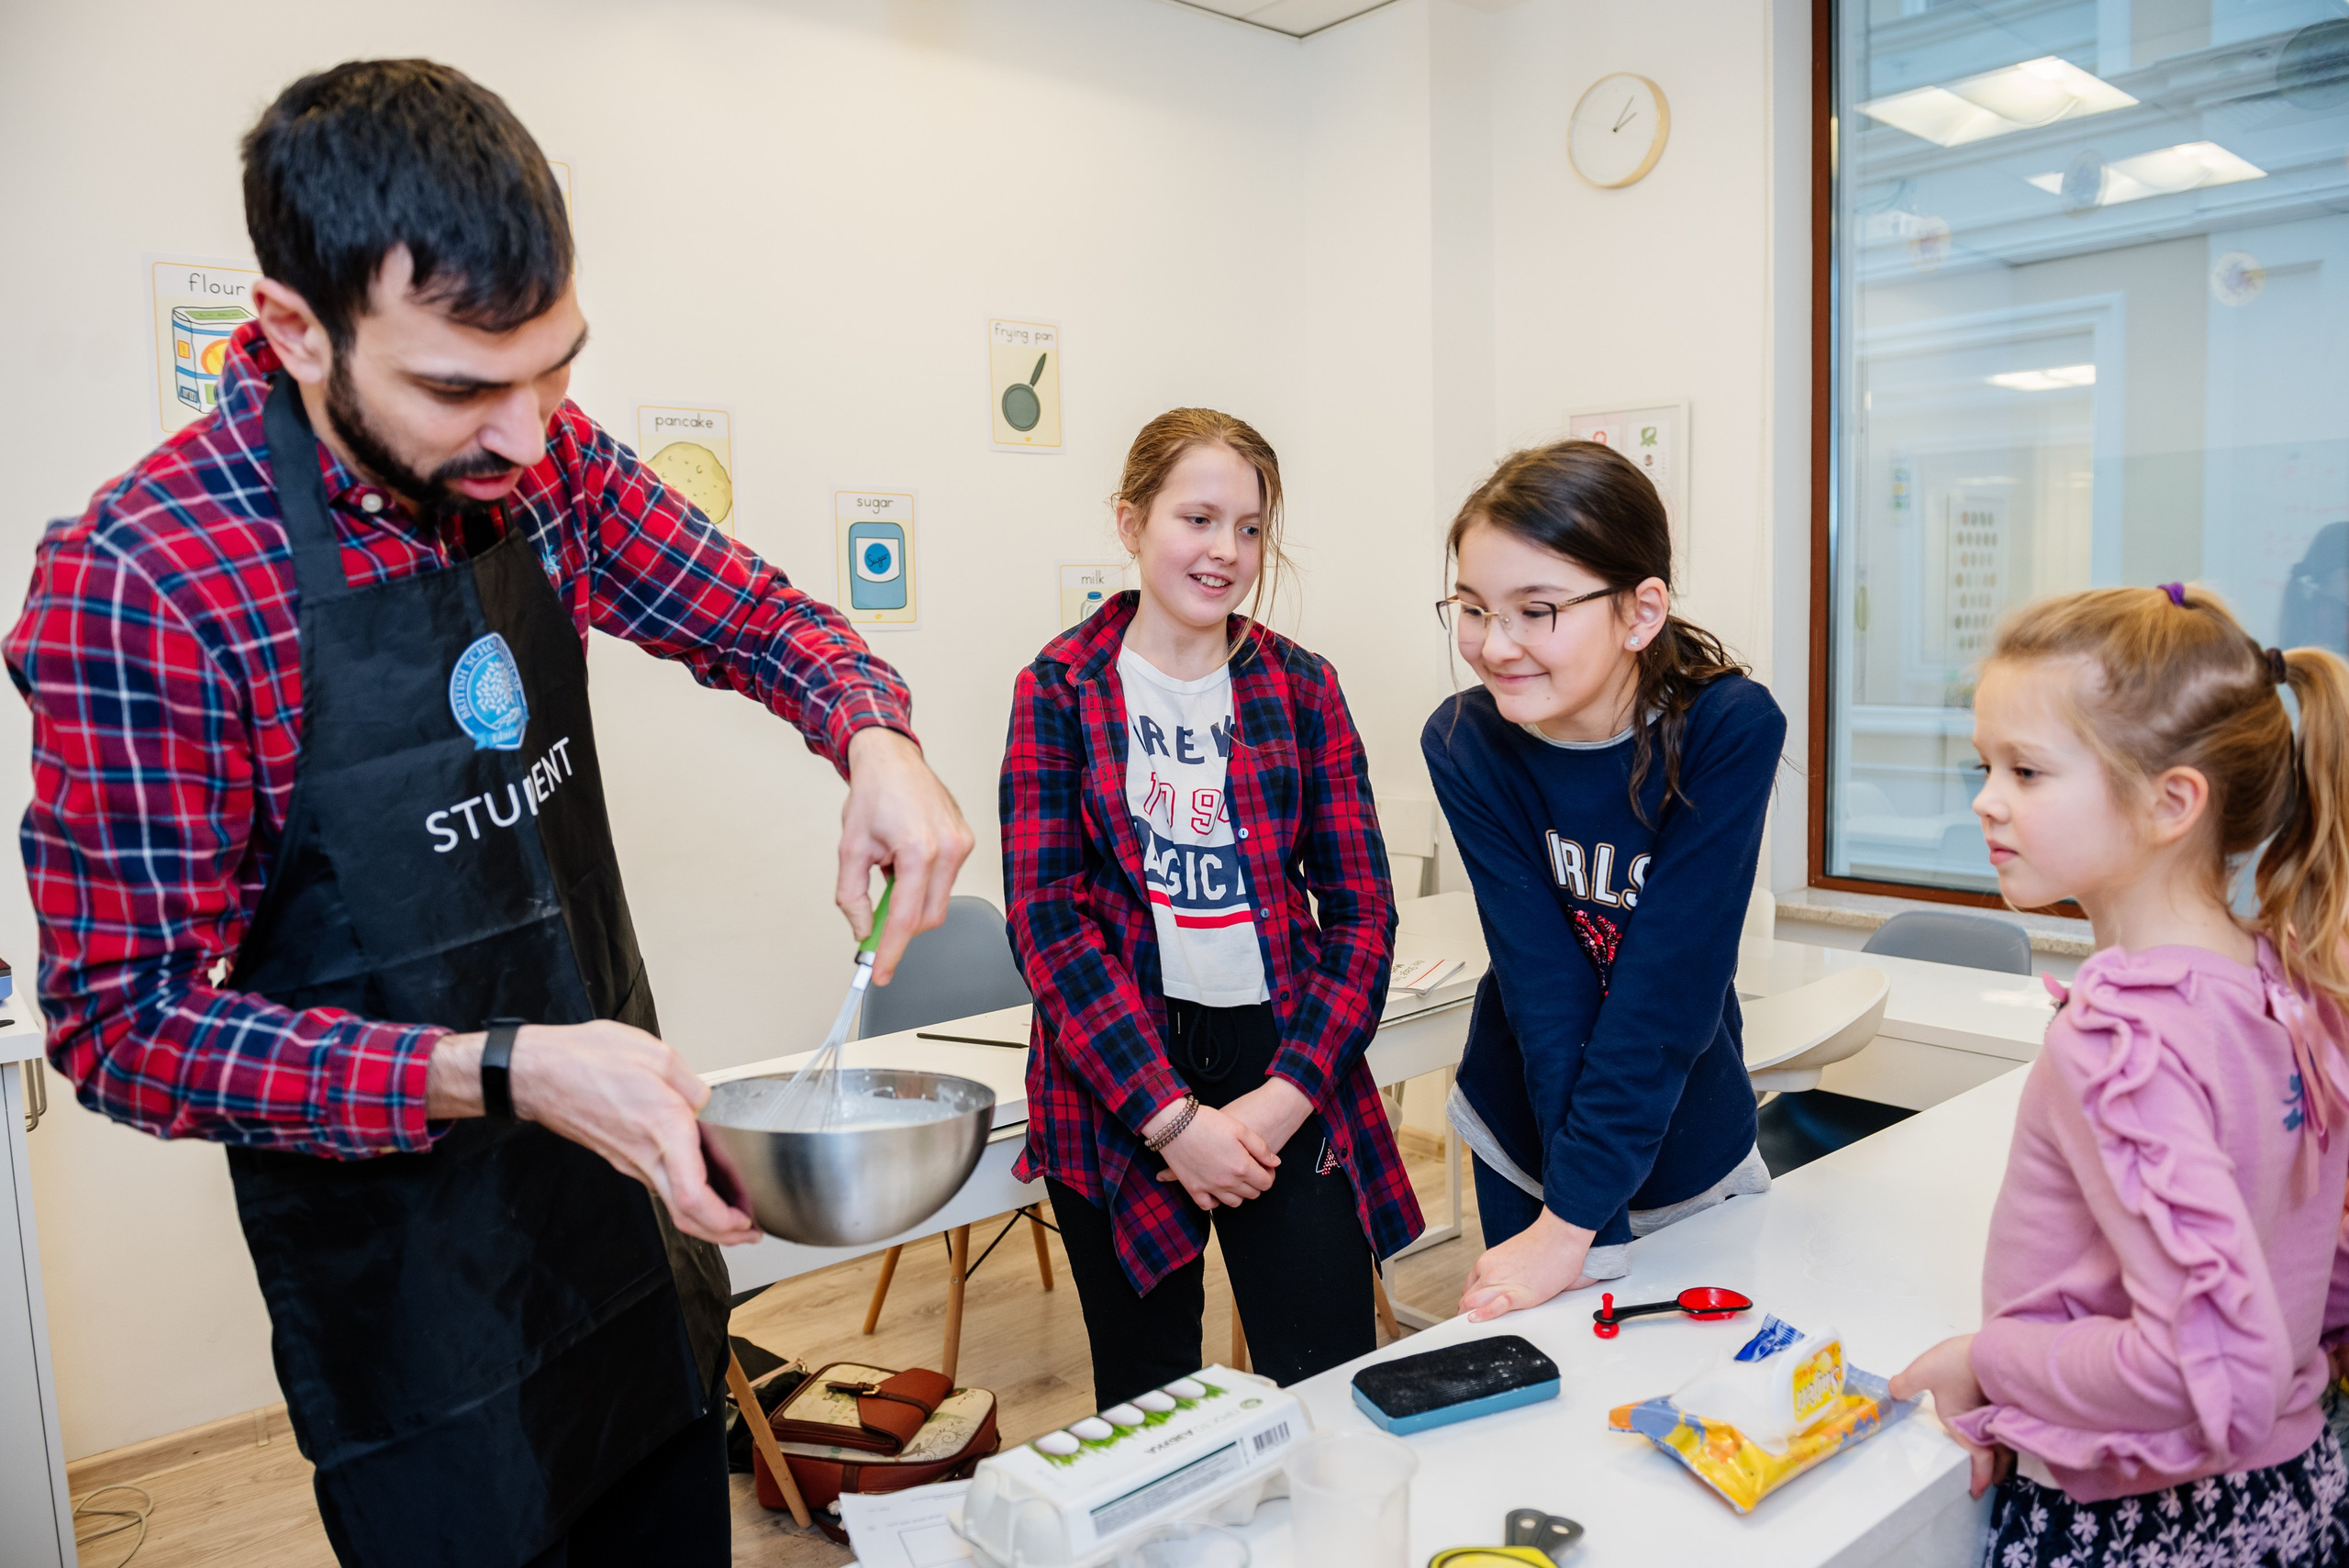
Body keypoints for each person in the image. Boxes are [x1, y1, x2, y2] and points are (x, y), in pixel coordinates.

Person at [6, 61, 973, 1567]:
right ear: (295, 330)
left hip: (624, 1220)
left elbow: (752, 612)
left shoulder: (550, 466)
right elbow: (124, 1024)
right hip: (413, 1306)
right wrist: (504, 1068)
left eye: (557, 369)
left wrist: (875, 733)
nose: (527, 436)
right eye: (460, 389)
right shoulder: (149, 580)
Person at [1891, 584, 2349, 1565]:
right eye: (1984, 765)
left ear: (2171, 802)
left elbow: (2206, 1367)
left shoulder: (2119, 1037)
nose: (1985, 798)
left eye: (2026, 770)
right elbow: (2317, 1265)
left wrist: (1989, 1358)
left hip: (2143, 1522)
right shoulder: (2289, 983)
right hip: (2296, 1492)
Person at [999, 408, 1422, 1407]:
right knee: (1149, 1401)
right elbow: (1048, 924)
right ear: (1131, 522)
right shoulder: (1058, 689)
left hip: (1284, 1061)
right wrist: (1170, 1119)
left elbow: (1362, 913)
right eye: (1198, 518)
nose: (1225, 550)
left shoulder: (1303, 688)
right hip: (1119, 1076)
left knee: (1328, 1377)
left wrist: (1283, 1099)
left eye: (1249, 527)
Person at [1422, 440, 1785, 1323]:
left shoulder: (1727, 728)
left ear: (1640, 610)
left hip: (1688, 1143)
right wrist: (1574, 1219)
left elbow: (1667, 993)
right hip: (1526, 1134)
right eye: (1472, 608)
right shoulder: (1467, 741)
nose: (1493, 644)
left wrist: (1577, 1221)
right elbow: (1544, 986)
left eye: (1535, 610)